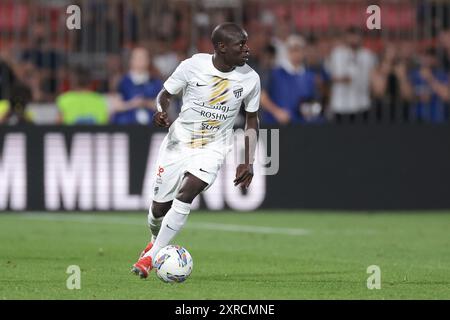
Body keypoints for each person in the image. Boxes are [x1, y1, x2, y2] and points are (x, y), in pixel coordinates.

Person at [131, 22, 261, 279]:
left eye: (246, 43)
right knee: (158, 209)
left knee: (188, 191)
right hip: (178, 143)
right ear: (222, 47)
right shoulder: (193, 66)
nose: (247, 49)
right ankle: (155, 240)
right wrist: (160, 110)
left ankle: (150, 257)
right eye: (241, 44)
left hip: (213, 147)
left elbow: (251, 119)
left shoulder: (250, 78)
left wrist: (247, 160)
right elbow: (165, 94)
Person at [260, 35, 322, 124]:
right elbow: (262, 97)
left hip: (300, 126)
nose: (296, 53)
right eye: (292, 50)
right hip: (275, 125)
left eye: (298, 49)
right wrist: (277, 112)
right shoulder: (275, 73)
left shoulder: (310, 76)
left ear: (304, 52)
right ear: (287, 52)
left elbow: (312, 101)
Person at [327, 27, 377, 123]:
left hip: (362, 103)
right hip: (340, 105)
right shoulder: (337, 54)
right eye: (351, 36)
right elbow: (330, 76)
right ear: (346, 37)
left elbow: (373, 76)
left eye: (356, 36)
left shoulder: (367, 55)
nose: (353, 39)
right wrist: (342, 79)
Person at [111, 47, 163, 125]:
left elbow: (162, 106)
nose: (140, 61)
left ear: (148, 61)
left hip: (151, 125)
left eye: (143, 58)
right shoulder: (122, 82)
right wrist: (132, 104)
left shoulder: (155, 82)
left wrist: (145, 103)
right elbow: (116, 105)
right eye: (138, 58)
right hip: (128, 124)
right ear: (131, 61)